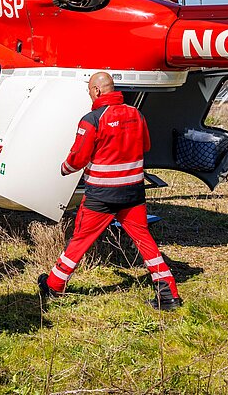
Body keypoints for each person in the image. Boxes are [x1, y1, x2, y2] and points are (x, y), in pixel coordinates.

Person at [39, 72, 183, 311]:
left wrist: (64, 169)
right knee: (144, 240)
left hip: (101, 196)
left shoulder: (91, 120)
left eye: (89, 91)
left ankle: (54, 284)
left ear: (96, 91)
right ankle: (168, 292)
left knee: (80, 239)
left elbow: (78, 158)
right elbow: (145, 145)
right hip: (133, 193)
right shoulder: (136, 114)